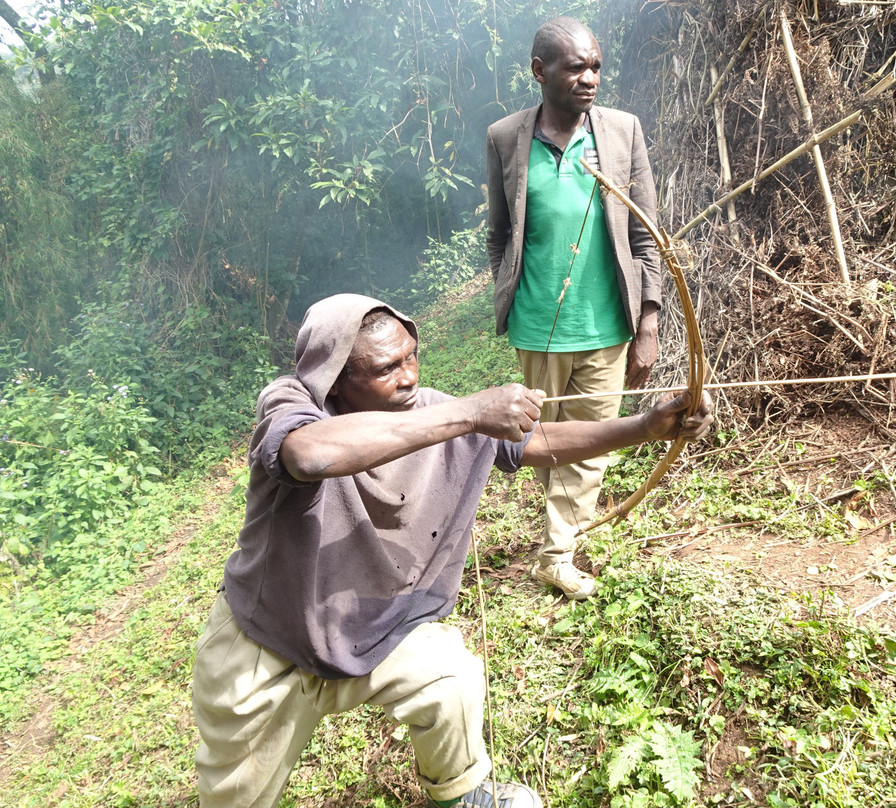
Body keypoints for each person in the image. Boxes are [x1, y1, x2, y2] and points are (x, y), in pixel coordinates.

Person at [191, 294, 712, 808]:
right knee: (236, 797)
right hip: (265, 648)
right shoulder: (291, 404)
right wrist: (469, 414)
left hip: (372, 630)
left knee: (449, 676)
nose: (409, 376)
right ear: (334, 378)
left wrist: (644, 428)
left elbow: (540, 441)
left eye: (411, 355)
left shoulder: (433, 411)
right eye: (386, 367)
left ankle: (464, 796)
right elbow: (310, 453)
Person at [486, 16, 662, 600]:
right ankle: (563, 524)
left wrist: (650, 322)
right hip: (537, 324)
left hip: (608, 321)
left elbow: (646, 236)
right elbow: (500, 234)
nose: (589, 79)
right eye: (575, 67)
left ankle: (555, 553)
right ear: (540, 72)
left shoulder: (622, 132)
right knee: (545, 440)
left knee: (593, 440)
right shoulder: (506, 138)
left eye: (596, 67)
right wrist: (508, 293)